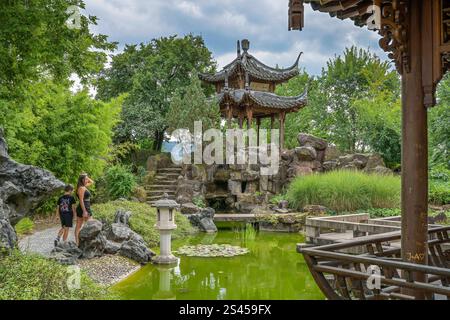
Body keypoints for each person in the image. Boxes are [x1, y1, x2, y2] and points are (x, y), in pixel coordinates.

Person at [74, 173, 94, 246]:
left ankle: (79, 243)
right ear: (82, 180)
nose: (87, 180)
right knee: (90, 224)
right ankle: (78, 243)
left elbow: (92, 182)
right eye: (85, 179)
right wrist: (84, 211)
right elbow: (81, 200)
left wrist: (85, 176)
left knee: (80, 225)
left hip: (85, 206)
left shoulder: (83, 186)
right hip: (84, 207)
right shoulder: (81, 188)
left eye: (87, 179)